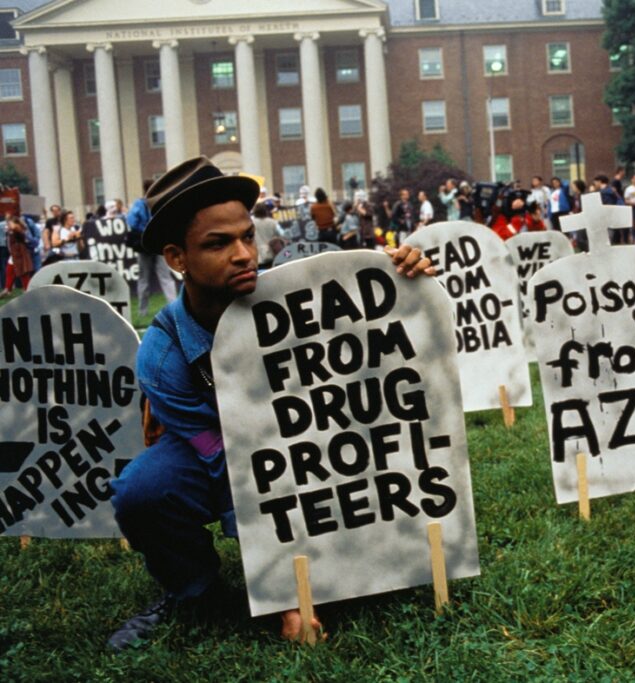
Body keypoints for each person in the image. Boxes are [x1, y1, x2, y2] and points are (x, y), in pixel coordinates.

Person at [107, 156, 435, 651]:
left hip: (322, 446)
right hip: (221, 458)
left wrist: (404, 276)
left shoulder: (300, 295)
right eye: (218, 244)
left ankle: (363, 554)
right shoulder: (162, 357)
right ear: (176, 258)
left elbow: (387, 342)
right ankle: (193, 590)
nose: (243, 254)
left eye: (247, 237)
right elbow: (236, 469)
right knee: (142, 490)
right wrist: (284, 592)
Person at [127, 178, 180, 316]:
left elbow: (131, 221)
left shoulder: (139, 203)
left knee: (143, 279)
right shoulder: (160, 202)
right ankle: (174, 307)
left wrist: (142, 229)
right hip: (158, 242)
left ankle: (142, 311)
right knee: (165, 277)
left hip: (144, 243)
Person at [0, 215, 34, 297]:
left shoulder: (19, 230)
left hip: (20, 255)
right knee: (9, 271)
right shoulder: (10, 231)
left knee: (23, 273)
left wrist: (13, 227)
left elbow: (20, 233)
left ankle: (27, 289)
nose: (8, 225)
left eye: (10, 223)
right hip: (14, 255)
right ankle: (8, 288)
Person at [594, 174, 629, 244]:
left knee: (610, 234)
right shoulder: (611, 190)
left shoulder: (604, 192)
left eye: (595, 182)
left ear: (599, 182)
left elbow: (606, 204)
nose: (594, 184)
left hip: (609, 215)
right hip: (616, 213)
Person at [251, 202, 282, 268]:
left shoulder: (251, 223)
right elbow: (282, 234)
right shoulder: (273, 222)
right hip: (270, 254)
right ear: (265, 211)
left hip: (256, 255)